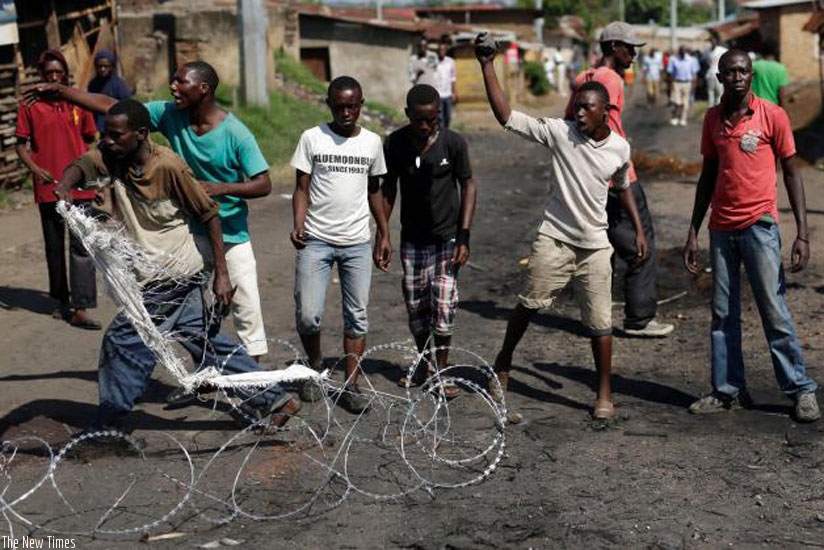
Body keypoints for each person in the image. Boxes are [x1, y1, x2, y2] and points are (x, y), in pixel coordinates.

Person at [54, 99, 301, 432]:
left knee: (123, 340)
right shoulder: (115, 155)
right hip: (152, 273)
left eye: (115, 135)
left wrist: (222, 276)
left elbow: (210, 215)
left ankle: (109, 425)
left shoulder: (169, 167)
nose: (107, 141)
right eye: (106, 135)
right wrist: (66, 185)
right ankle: (275, 397)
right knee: (206, 344)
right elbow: (84, 164)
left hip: (172, 275)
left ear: (141, 134)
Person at [27, 61, 274, 366]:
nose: (173, 86)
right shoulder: (170, 113)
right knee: (188, 308)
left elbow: (264, 184)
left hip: (231, 233)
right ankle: (206, 376)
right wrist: (62, 90)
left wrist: (221, 188)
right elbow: (115, 108)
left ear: (203, 89)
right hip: (188, 234)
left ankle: (257, 384)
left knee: (244, 307)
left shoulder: (236, 134)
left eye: (181, 82)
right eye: (173, 79)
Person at [476, 33, 649, 420]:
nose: (579, 114)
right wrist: (487, 64)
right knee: (529, 304)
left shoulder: (620, 148)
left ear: (606, 112)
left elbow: (623, 188)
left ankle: (604, 394)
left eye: (588, 109)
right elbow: (507, 117)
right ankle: (503, 361)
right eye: (577, 108)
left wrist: (638, 230)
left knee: (601, 322)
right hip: (554, 240)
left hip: (595, 247)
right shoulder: (560, 132)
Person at [683, 50, 819, 422]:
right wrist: (694, 229)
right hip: (722, 229)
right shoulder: (712, 119)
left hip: (760, 226)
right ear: (720, 78)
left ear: (752, 75)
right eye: (730, 72)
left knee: (773, 310)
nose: (737, 77)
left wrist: (802, 234)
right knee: (722, 313)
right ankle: (727, 390)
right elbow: (708, 174)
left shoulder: (772, 115)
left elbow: (792, 173)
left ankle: (800, 390)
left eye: (743, 71)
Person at [565, 21, 673, 338]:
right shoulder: (610, 79)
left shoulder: (583, 77)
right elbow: (606, 129)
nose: (634, 56)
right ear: (614, 46)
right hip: (617, 177)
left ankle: (596, 315)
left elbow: (567, 122)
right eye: (630, 49)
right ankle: (639, 318)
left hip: (591, 178)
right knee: (640, 243)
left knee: (604, 245)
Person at [290, 76, 391, 414]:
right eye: (339, 106)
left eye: (352, 106)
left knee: (357, 317)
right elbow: (301, 188)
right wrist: (298, 225)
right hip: (316, 239)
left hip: (357, 243)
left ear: (361, 104)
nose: (346, 112)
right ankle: (316, 365)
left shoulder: (373, 143)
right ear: (329, 105)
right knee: (308, 314)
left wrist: (384, 233)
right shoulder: (312, 138)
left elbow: (375, 191)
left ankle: (351, 383)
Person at [381, 84, 477, 397]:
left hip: (447, 239)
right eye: (418, 120)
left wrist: (464, 236)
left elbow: (468, 186)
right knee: (417, 307)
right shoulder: (395, 143)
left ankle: (444, 370)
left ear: (439, 114)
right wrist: (382, 233)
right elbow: (388, 189)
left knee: (444, 305)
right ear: (408, 115)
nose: (425, 126)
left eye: (431, 120)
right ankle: (424, 363)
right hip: (413, 240)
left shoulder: (453, 143)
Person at [15, 49, 100, 330]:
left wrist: (94, 178)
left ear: (64, 74)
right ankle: (60, 300)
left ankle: (81, 306)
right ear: (41, 75)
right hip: (48, 185)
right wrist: (35, 169)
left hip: (79, 185)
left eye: (58, 72)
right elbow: (20, 144)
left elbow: (90, 140)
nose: (53, 77)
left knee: (81, 245)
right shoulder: (30, 105)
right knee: (54, 246)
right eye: (48, 73)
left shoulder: (78, 102)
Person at [87, 49, 133, 132]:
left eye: (106, 66)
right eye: (99, 66)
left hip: (117, 127)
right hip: (99, 128)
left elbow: (127, 107)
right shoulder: (93, 85)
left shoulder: (120, 85)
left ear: (112, 66)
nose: (102, 69)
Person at [751, 42, 790, 106]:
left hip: (756, 106)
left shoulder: (754, 66)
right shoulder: (780, 69)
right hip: (772, 107)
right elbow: (781, 94)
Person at [667, 47, 698, 126]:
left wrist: (694, 85)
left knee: (685, 102)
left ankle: (683, 118)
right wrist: (670, 85)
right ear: (679, 52)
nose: (682, 53)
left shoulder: (691, 60)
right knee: (676, 101)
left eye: (684, 51)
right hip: (677, 83)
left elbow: (694, 74)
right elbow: (670, 74)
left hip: (687, 83)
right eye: (681, 52)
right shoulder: (673, 59)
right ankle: (675, 117)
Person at [434, 41, 458, 128]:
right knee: (440, 117)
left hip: (448, 94)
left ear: (446, 51)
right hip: (438, 94)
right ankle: (442, 135)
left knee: (448, 116)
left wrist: (454, 92)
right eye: (440, 50)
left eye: (443, 50)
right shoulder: (434, 63)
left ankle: (446, 132)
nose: (441, 51)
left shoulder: (451, 62)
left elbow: (453, 78)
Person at [705, 36, 727, 107]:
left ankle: (719, 106)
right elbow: (707, 62)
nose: (712, 43)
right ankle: (710, 107)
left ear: (716, 42)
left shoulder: (722, 50)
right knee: (710, 91)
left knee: (719, 92)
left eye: (713, 41)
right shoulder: (708, 51)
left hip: (718, 73)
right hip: (710, 74)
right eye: (711, 41)